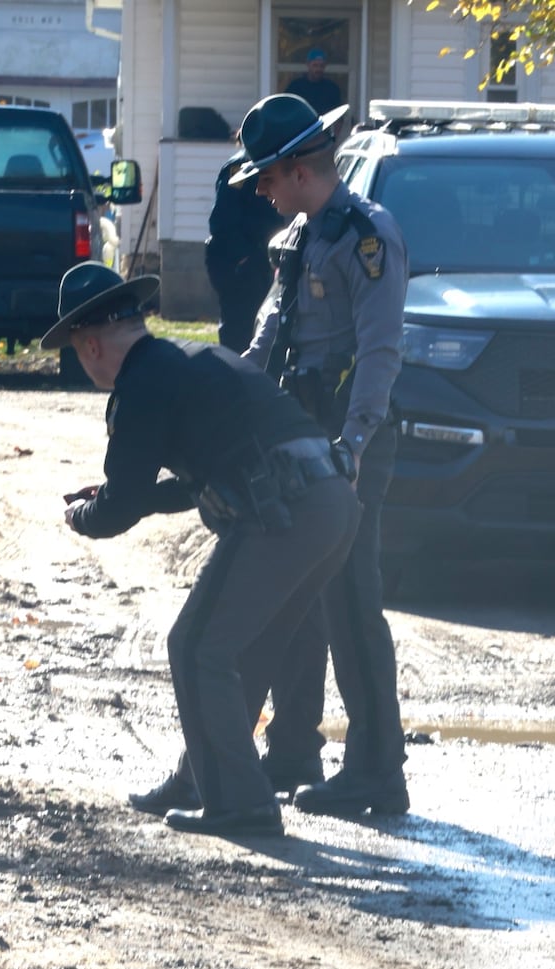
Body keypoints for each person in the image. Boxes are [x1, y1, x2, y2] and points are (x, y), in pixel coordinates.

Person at [47, 261, 361, 837]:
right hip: (332, 504)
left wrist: (81, 516)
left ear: (90, 344)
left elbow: (120, 508)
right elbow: (193, 485)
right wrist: (123, 496)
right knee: (246, 650)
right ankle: (203, 779)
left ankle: (242, 804)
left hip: (286, 513)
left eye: (74, 348)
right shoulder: (187, 360)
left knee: (195, 645)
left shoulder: (139, 386)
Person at [229, 92, 411, 818]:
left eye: (268, 178)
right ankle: (294, 750)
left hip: (349, 434)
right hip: (301, 430)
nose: (263, 192)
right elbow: (267, 340)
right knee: (294, 594)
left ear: (301, 168)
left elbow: (380, 350)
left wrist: (355, 444)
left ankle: (376, 768)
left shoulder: (368, 235)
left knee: (350, 601)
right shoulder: (303, 238)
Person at [206, 150, 284, 351]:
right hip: (241, 263)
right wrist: (244, 258)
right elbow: (221, 220)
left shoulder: (270, 160)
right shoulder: (240, 168)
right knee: (239, 331)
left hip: (261, 258)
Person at [284, 48, 345, 116]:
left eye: (321, 66)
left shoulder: (332, 88)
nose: (318, 69)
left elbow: (338, 115)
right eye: (315, 65)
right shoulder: (295, 87)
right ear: (308, 64)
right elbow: (286, 110)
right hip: (302, 125)